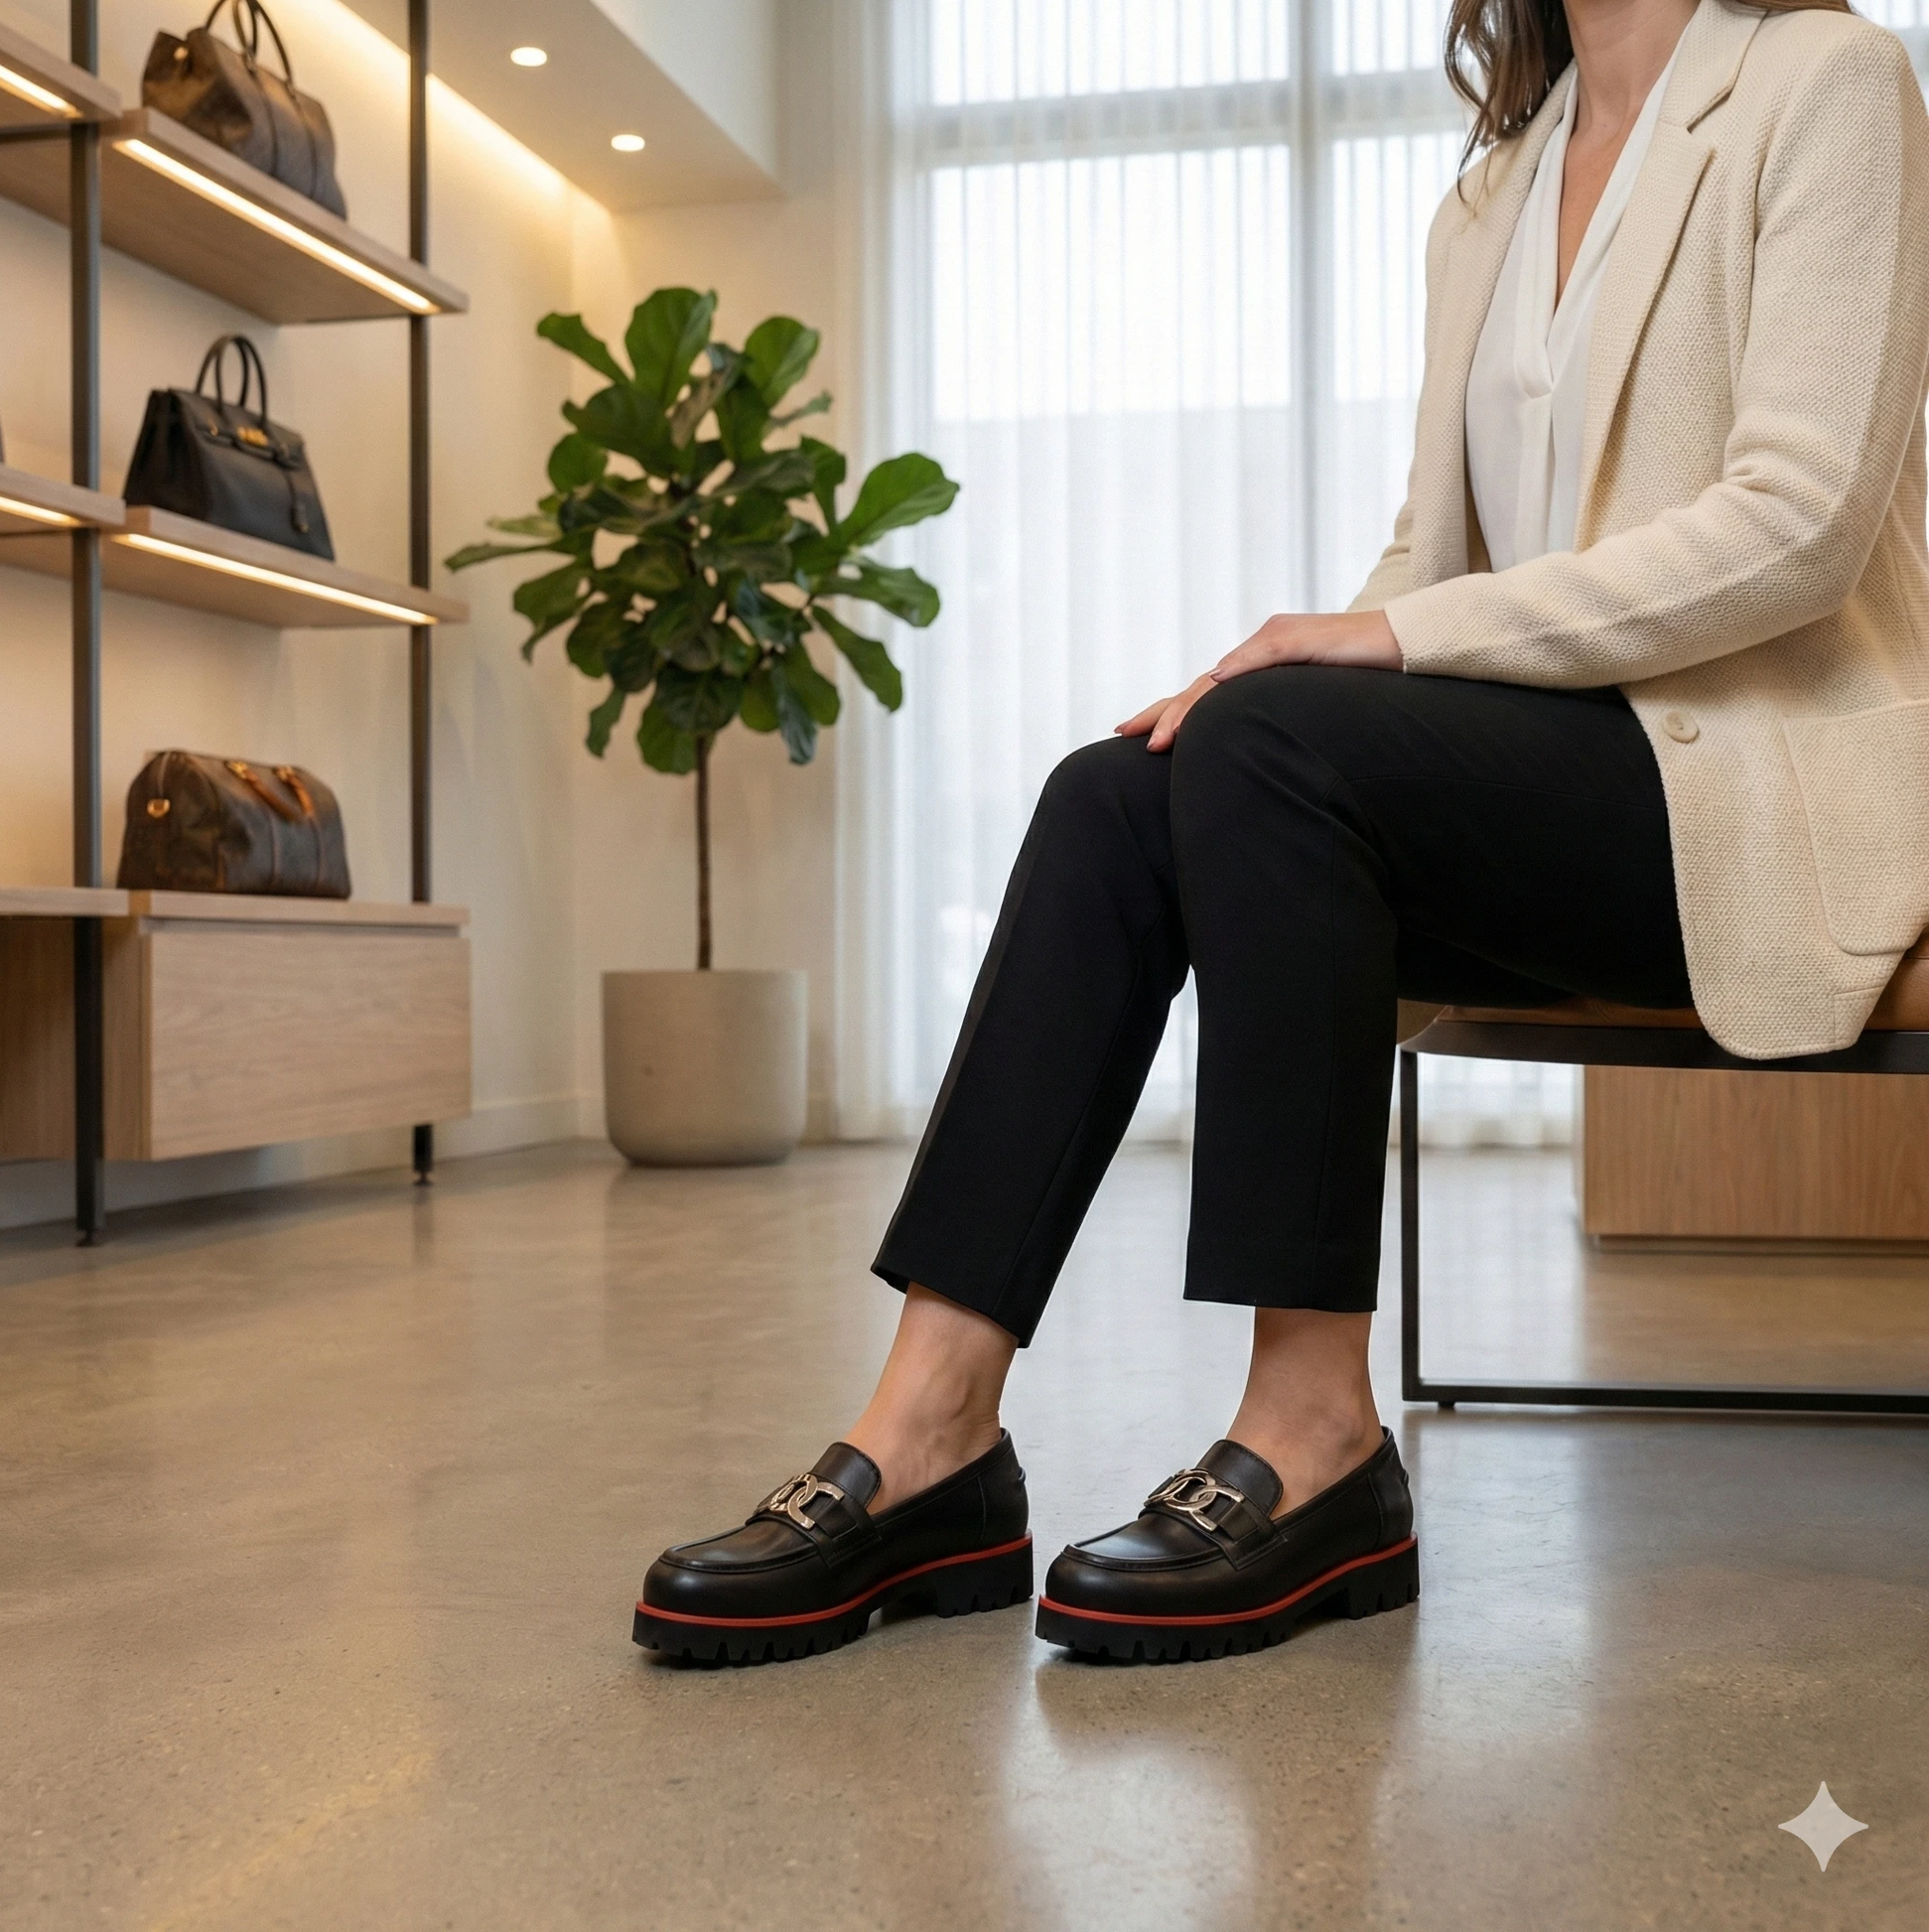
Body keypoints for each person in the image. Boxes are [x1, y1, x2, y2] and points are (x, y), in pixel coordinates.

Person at [636, 0, 1929, 1665]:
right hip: (1533, 792)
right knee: (1118, 791)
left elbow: (1798, 524)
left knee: (1268, 740)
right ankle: (935, 1429)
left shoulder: (1824, 82)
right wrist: (1269, 672)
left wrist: (1357, 661)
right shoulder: (1491, 192)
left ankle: (1316, 1431)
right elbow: (1428, 552)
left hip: (1744, 789)